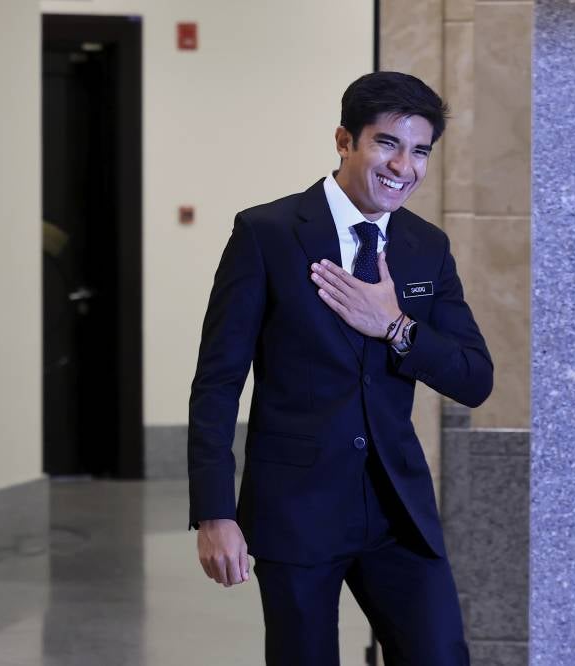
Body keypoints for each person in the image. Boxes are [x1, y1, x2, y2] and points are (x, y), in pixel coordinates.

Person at [188, 71, 493, 665]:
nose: (403, 167)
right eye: (387, 143)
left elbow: (473, 378)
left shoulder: (426, 246)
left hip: (395, 510)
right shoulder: (267, 233)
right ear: (344, 140)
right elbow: (218, 383)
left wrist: (395, 326)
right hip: (296, 506)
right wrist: (214, 512)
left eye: (420, 151)